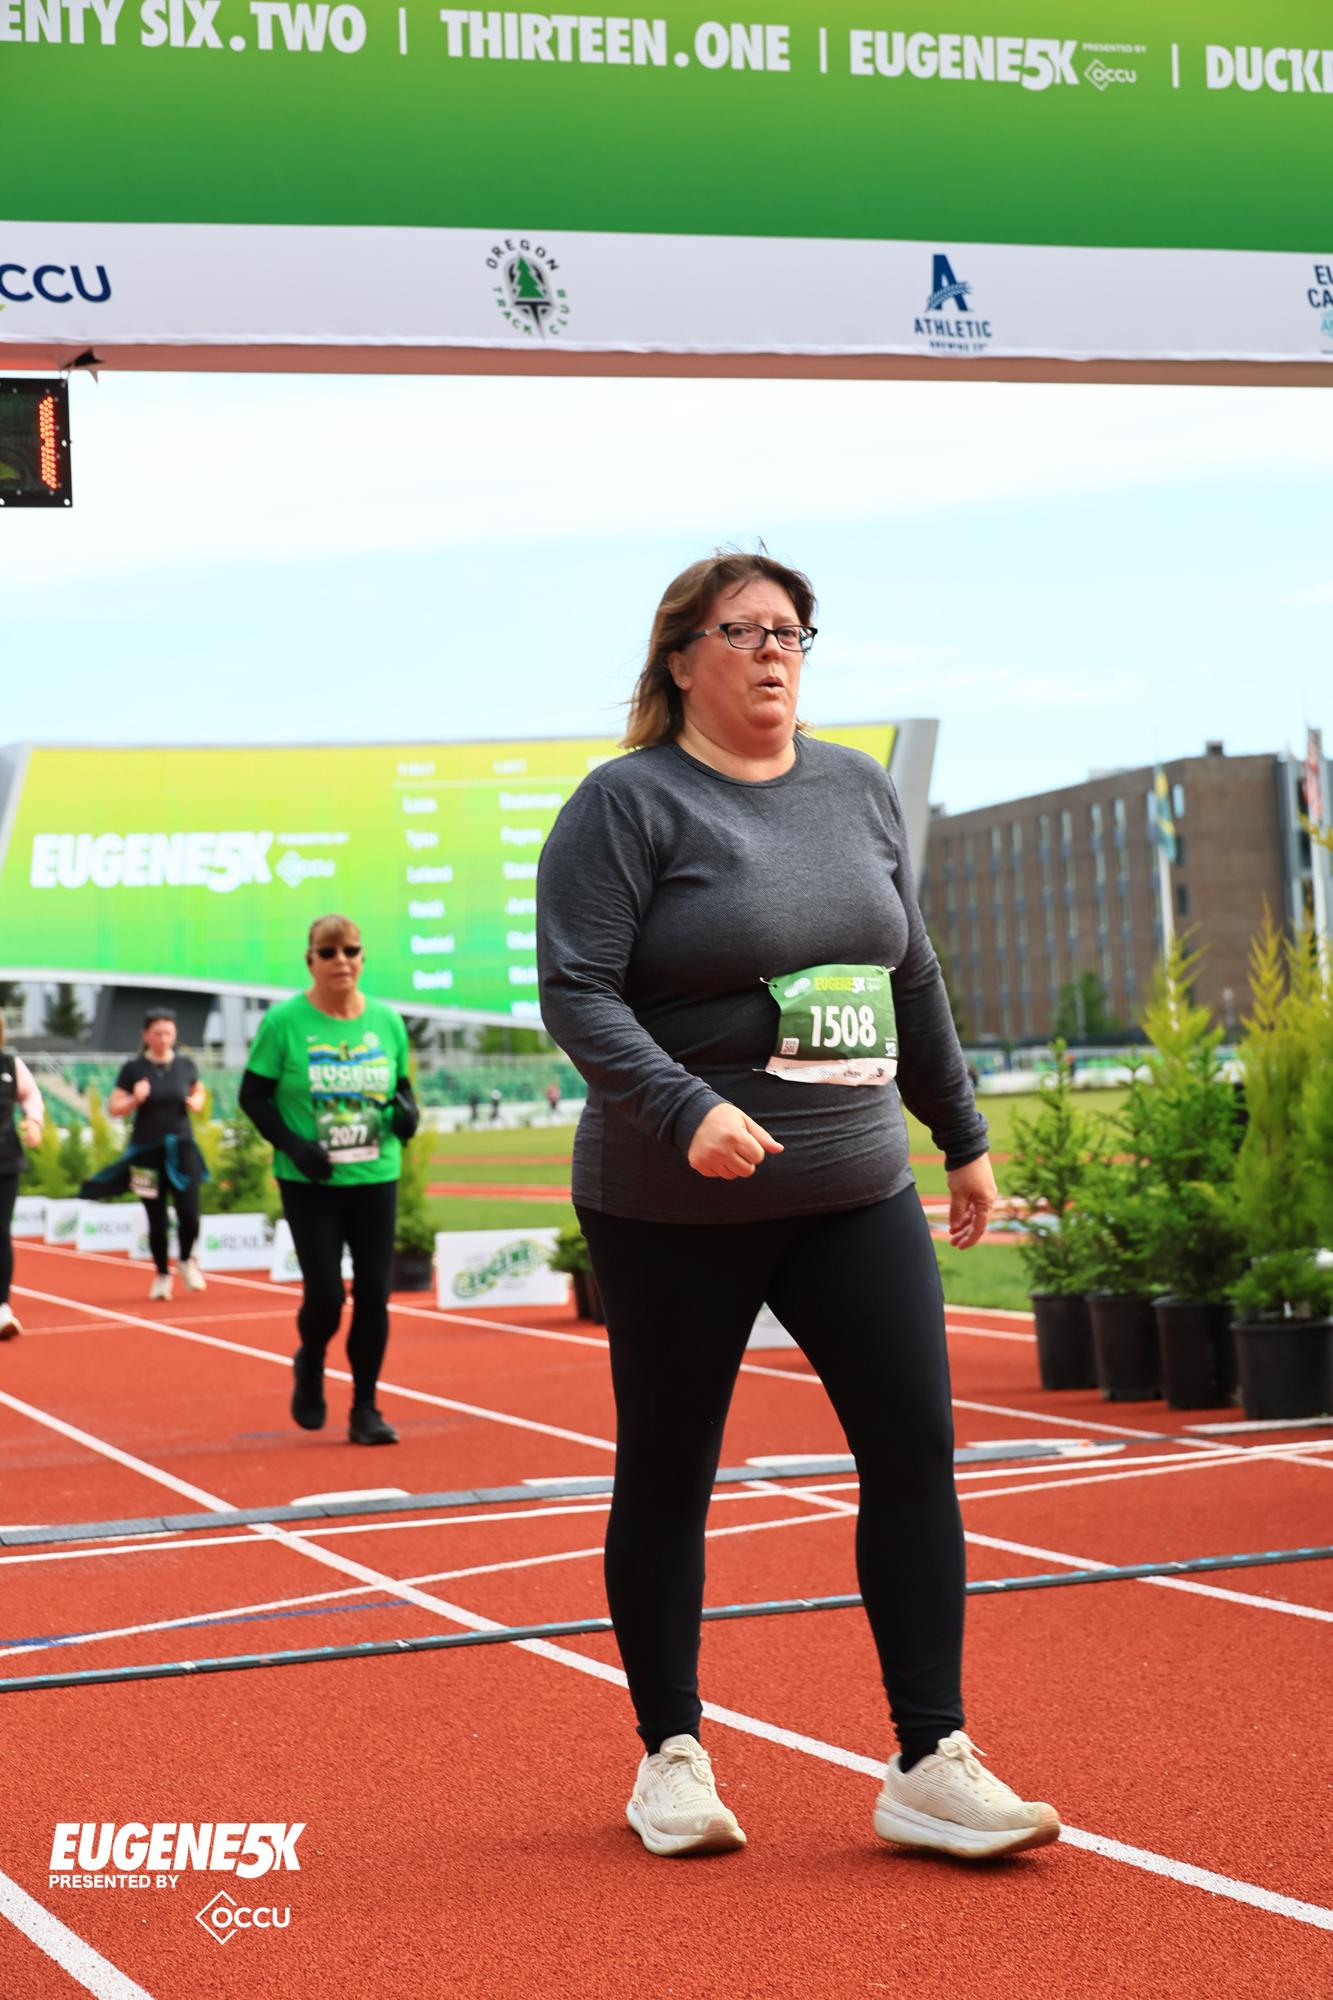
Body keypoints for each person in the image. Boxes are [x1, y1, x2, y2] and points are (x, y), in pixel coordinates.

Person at [537, 551, 1059, 1863]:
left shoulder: (855, 787)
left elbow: (910, 972)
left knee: (914, 1448)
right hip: (674, 1201)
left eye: (791, 631)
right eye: (745, 631)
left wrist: (961, 1136)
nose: (774, 651)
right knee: (671, 1471)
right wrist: (683, 1109)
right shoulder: (625, 804)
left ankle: (930, 1757)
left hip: (853, 1187)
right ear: (681, 659)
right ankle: (670, 1753)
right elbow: (577, 990)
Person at [238, 915, 418, 1446]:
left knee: (374, 1295)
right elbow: (253, 1097)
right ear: (310, 960)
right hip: (309, 1182)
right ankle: (311, 1358)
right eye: (329, 951)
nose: (342, 960)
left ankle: (365, 1407)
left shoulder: (387, 1021)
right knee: (325, 1297)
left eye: (351, 950)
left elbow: (401, 1090)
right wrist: (294, 1146)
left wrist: (407, 1117)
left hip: (376, 1175)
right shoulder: (284, 1022)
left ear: (362, 958)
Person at [86, 1009, 208, 1302]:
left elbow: (199, 1089)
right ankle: (162, 1274)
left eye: (169, 1033)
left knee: (190, 1213)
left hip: (182, 1146)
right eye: (158, 1033)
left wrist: (197, 1100)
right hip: (145, 1151)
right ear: (146, 1035)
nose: (163, 1039)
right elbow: (114, 1107)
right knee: (156, 1217)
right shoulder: (133, 1068)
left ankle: (186, 1260)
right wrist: (134, 1098)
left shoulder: (185, 1064)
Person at [0, 1022, 45, 1338]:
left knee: (0, 1232)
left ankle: (1, 1307)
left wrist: (34, 1120)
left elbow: (31, 1095)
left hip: (5, 1160)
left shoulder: (10, 1065)